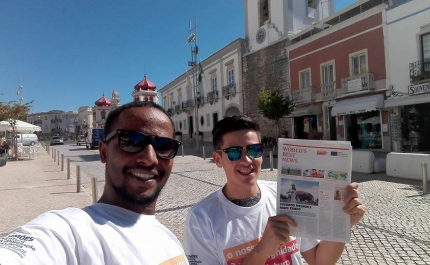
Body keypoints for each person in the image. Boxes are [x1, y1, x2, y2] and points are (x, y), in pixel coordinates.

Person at [0, 101, 189, 264]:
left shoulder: (168, 237)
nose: (150, 159)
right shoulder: (72, 232)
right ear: (104, 152)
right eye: (131, 141)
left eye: (164, 146)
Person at [183, 115, 365, 265]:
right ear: (217, 159)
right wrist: (262, 250)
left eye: (254, 150)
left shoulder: (282, 196)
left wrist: (343, 223)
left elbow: (319, 261)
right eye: (234, 152)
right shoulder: (201, 218)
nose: (247, 160)